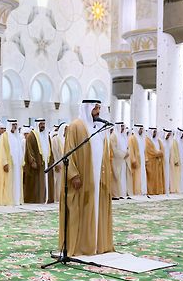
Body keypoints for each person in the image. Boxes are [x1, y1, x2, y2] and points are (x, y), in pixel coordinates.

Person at [58, 100, 113, 257]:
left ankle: (97, 244)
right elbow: (69, 150)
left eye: (99, 108)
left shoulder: (99, 128)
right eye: (95, 108)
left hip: (98, 178)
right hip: (82, 178)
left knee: (96, 208)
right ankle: (82, 245)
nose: (97, 111)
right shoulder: (76, 126)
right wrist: (73, 174)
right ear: (87, 108)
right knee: (80, 209)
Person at [0, 119, 23, 205]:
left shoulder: (17, 136)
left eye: (15, 124)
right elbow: (2, 150)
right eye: (13, 124)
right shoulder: (5, 136)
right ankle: (8, 200)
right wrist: (5, 162)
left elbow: (20, 150)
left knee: (17, 181)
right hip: (9, 163)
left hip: (17, 164)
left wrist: (22, 161)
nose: (14, 126)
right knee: (8, 182)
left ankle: (16, 199)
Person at [23, 118, 49, 204]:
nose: (43, 126)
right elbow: (29, 150)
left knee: (45, 181)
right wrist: (32, 161)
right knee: (37, 183)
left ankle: (46, 197)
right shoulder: (31, 135)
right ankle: (36, 199)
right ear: (37, 124)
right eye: (41, 124)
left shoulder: (46, 135)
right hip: (37, 163)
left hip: (46, 163)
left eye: (43, 124)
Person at [144, 128, 165, 195]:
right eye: (153, 132)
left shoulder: (158, 141)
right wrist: (159, 153)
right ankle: (151, 191)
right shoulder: (147, 141)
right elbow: (150, 151)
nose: (155, 133)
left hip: (158, 162)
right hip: (151, 162)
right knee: (151, 178)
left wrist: (159, 153)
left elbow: (162, 151)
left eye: (155, 132)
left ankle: (158, 190)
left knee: (158, 177)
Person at [127, 125, 147, 195]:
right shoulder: (132, 138)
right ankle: (137, 191)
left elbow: (144, 150)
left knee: (142, 176)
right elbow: (131, 150)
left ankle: (143, 190)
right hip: (136, 161)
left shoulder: (142, 138)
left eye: (142, 129)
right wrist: (133, 160)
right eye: (140, 129)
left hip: (142, 160)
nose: (141, 130)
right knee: (137, 177)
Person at [110, 122, 127, 199]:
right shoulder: (114, 136)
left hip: (122, 160)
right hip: (115, 160)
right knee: (115, 177)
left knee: (122, 177)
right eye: (121, 126)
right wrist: (123, 154)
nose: (123, 128)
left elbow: (126, 147)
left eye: (123, 126)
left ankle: (121, 193)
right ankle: (114, 194)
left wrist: (127, 153)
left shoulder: (122, 136)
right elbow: (114, 149)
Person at [51, 123, 66, 201]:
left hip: (66, 165)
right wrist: (56, 163)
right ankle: (57, 197)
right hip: (58, 164)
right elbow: (54, 152)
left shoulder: (67, 139)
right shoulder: (55, 139)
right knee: (58, 181)